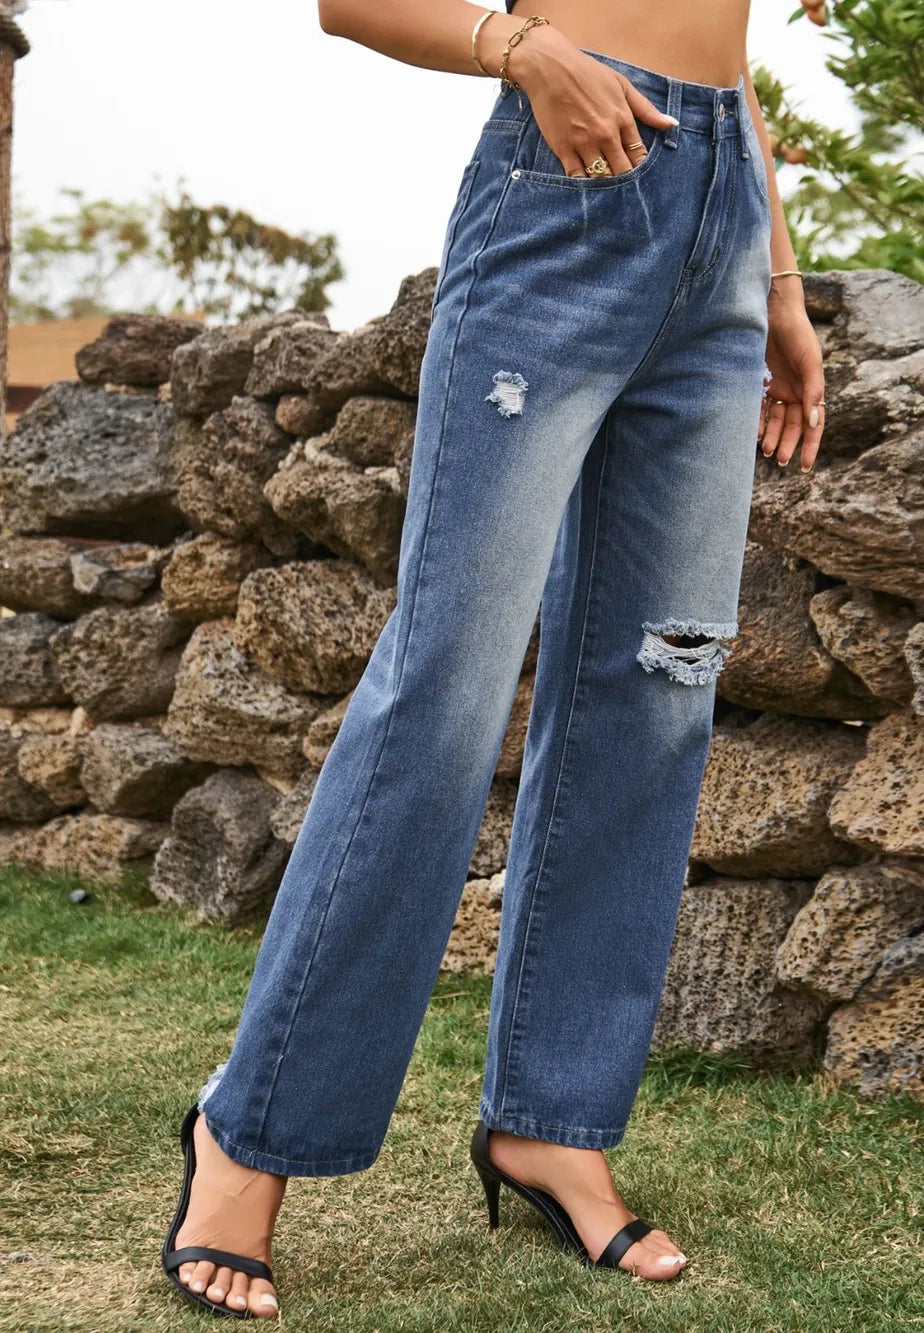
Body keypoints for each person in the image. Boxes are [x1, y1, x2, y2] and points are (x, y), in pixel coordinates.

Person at [160, 0, 825, 1318]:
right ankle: (249, 1132)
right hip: (560, 198)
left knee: (658, 696)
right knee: (446, 690)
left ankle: (551, 1120)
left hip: (723, 236)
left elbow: (727, 55)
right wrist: (518, 49)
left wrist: (782, 282)